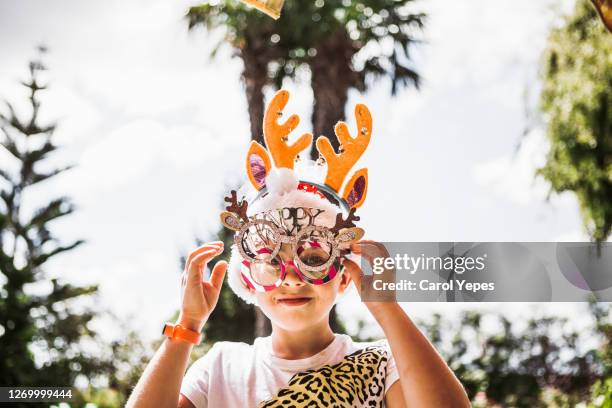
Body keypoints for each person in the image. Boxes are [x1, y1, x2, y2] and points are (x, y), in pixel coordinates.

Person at [126, 90, 470, 408]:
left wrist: (387, 310)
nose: (291, 278)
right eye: (272, 261)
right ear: (247, 278)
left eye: (314, 260)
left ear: (345, 277)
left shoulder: (384, 363)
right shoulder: (220, 368)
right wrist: (186, 326)